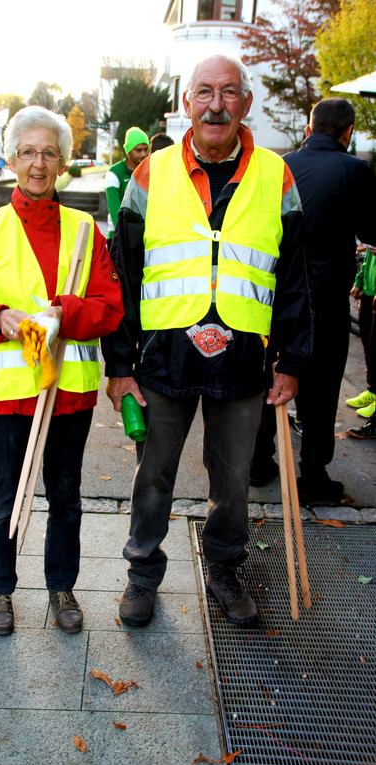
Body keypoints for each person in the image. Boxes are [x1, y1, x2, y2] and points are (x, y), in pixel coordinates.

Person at [101, 53, 312, 629]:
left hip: (244, 359)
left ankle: (224, 571)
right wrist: (119, 366)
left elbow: (294, 275)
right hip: (163, 358)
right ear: (186, 101)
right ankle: (142, 574)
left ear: (246, 102)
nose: (215, 104)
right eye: (204, 92)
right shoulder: (149, 175)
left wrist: (292, 359)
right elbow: (122, 273)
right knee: (154, 475)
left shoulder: (278, 175)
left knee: (234, 481)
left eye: (228, 92)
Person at [0, 106, 123, 636]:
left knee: (65, 494)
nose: (38, 163)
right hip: (5, 393)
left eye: (49, 152)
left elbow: (110, 308)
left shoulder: (87, 232)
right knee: (7, 492)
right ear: (11, 158)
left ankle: (61, 587)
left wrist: (66, 311)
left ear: (63, 163)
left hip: (67, 392)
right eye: (27, 151)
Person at [251, 98, 376, 502]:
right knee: (320, 385)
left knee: (272, 373)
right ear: (347, 132)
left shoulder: (279, 166)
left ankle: (258, 460)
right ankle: (313, 474)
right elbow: (371, 228)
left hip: (274, 294)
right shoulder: (353, 169)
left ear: (309, 128)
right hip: (323, 295)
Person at [346, 244, 376, 439]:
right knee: (369, 347)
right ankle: (373, 392)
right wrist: (360, 279)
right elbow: (370, 256)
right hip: (369, 291)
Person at [104, 126, 149, 248]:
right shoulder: (114, 173)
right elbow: (115, 210)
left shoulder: (150, 171)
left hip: (144, 237)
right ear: (128, 151)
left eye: (146, 149)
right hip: (118, 237)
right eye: (138, 150)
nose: (143, 154)